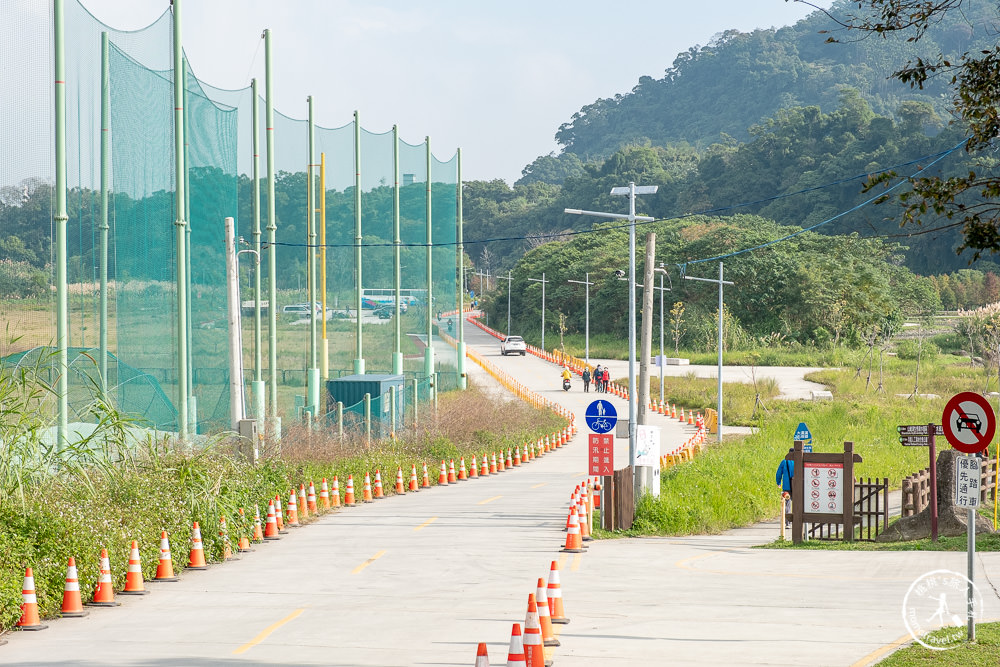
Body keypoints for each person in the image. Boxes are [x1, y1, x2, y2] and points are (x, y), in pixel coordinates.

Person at [775, 448, 794, 529]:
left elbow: (779, 473)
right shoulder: (798, 460)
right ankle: (798, 521)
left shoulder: (784, 462)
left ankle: (787, 523)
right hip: (797, 486)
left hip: (786, 487)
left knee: (787, 505)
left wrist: (778, 482)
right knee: (798, 505)